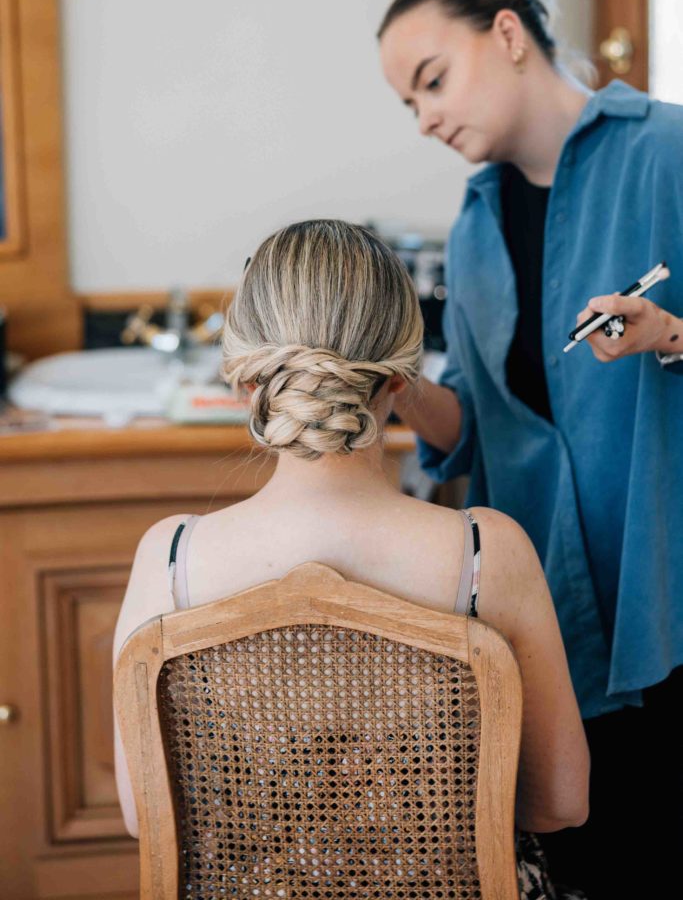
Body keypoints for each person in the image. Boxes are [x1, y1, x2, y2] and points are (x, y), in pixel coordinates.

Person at [114, 219, 589, 898]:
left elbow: (144, 817)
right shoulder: (487, 554)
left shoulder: (170, 560)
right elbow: (559, 803)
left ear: (245, 379)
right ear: (402, 379)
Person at [378, 0, 683, 897]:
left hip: (664, 591)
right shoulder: (473, 227)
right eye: (409, 105)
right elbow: (473, 428)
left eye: (432, 81)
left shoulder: (665, 154)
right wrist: (391, 387)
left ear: (507, 34)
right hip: (545, 617)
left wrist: (668, 333)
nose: (426, 117)